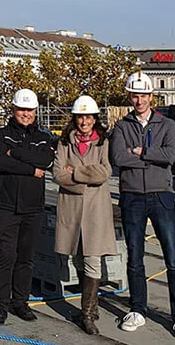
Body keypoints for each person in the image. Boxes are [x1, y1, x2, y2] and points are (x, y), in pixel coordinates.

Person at [110, 71, 175, 340]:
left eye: (143, 95)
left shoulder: (166, 124)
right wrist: (147, 158)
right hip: (132, 195)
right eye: (135, 95)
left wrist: (141, 152)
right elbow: (119, 158)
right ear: (130, 97)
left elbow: (170, 155)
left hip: (161, 195)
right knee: (135, 256)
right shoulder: (122, 127)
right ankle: (137, 309)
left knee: (173, 258)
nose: (139, 100)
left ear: (150, 96)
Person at [0, 88, 54, 326]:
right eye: (21, 109)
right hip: (7, 206)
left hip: (33, 207)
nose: (26, 114)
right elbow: (0, 162)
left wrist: (15, 152)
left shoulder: (44, 136)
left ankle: (20, 302)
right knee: (5, 255)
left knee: (26, 257)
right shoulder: (2, 134)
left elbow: (46, 160)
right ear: (13, 110)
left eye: (29, 110)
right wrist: (30, 169)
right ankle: (0, 304)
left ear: (35, 111)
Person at [53, 95, 115, 335]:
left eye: (88, 116)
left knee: (92, 258)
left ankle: (87, 314)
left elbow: (104, 172)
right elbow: (58, 173)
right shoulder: (64, 142)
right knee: (77, 257)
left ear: (94, 118)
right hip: (71, 206)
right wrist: (84, 180)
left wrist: (76, 171)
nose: (84, 121)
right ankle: (91, 304)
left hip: (95, 210)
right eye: (80, 116)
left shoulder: (102, 142)